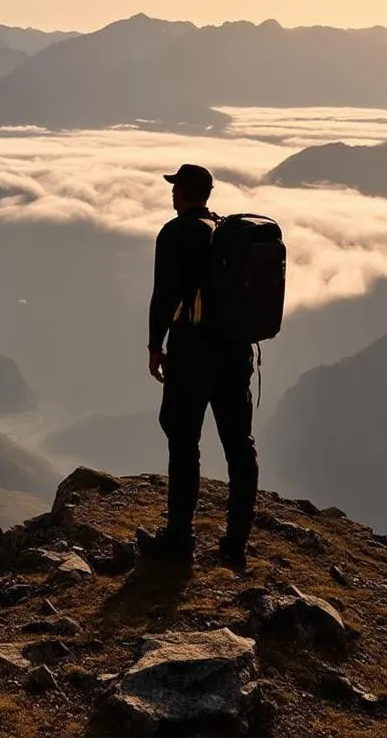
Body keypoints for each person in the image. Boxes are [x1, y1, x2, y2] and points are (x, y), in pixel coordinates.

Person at [138, 163, 258, 566]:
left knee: (183, 440)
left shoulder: (176, 233)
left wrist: (156, 346)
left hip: (193, 353)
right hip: (237, 353)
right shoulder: (227, 233)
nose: (172, 194)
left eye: (176, 188)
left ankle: (179, 539)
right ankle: (236, 541)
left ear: (186, 192)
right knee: (239, 445)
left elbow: (164, 295)